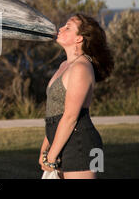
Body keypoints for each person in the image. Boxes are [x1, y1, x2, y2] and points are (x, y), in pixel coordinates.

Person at [39, 13, 114, 179]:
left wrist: (51, 156)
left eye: (68, 27)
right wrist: (45, 148)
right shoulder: (64, 65)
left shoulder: (81, 67)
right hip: (62, 143)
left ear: (79, 38)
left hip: (80, 144)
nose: (61, 29)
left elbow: (70, 116)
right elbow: (55, 112)